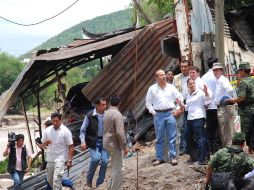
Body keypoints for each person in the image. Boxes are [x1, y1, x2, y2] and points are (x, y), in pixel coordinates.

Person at [146, 69, 184, 166]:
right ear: (156, 78)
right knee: (159, 138)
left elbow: (180, 97)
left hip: (170, 113)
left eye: (164, 75)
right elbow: (148, 102)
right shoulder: (152, 89)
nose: (163, 76)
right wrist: (153, 112)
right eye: (161, 75)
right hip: (158, 115)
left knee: (172, 137)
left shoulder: (171, 87)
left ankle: (173, 157)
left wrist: (178, 108)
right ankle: (160, 158)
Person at [79, 97, 109, 188]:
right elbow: (82, 130)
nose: (105, 106)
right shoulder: (90, 115)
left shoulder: (107, 115)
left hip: (105, 142)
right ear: (97, 105)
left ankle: (100, 184)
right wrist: (83, 142)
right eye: (103, 105)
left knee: (105, 161)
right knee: (95, 159)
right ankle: (89, 180)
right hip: (93, 142)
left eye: (105, 104)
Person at [41, 112, 74, 190]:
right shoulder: (48, 130)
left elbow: (71, 146)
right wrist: (46, 142)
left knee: (57, 179)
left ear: (60, 120)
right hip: (50, 158)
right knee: (50, 180)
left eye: (57, 121)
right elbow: (42, 145)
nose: (55, 123)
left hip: (60, 158)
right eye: (53, 121)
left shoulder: (66, 131)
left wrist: (69, 160)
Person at [227, 62, 254, 152]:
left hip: (246, 111)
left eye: (240, 71)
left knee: (246, 131)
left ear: (243, 71)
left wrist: (233, 100)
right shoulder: (252, 80)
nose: (239, 73)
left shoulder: (244, 82)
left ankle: (248, 149)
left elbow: (241, 97)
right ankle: (251, 148)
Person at [103, 95, 128, 190]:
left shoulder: (106, 113)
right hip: (114, 144)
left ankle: (111, 187)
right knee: (119, 169)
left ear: (109, 103)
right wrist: (125, 147)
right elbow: (120, 133)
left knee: (114, 168)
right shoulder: (117, 115)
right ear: (119, 104)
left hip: (106, 143)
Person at [185, 78, 210, 165]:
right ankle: (194, 156)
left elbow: (207, 101)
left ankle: (202, 159)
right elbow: (188, 107)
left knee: (200, 139)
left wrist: (206, 93)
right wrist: (181, 106)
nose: (192, 85)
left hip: (198, 118)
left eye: (193, 83)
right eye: (190, 84)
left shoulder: (200, 93)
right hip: (190, 118)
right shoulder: (189, 94)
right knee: (187, 137)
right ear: (187, 85)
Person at [202, 58, 222, 153]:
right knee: (218, 128)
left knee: (210, 128)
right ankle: (218, 149)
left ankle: (210, 149)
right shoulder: (219, 76)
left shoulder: (204, 77)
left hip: (208, 106)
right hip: (218, 106)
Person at [212, 62, 234, 147]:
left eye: (217, 70)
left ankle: (229, 150)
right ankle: (227, 149)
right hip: (221, 108)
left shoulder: (223, 80)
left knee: (226, 132)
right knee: (223, 131)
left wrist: (226, 99)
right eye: (214, 70)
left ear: (221, 70)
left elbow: (230, 90)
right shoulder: (218, 80)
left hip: (224, 108)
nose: (215, 72)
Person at [173, 60, 190, 155]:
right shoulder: (176, 78)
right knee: (182, 126)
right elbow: (173, 93)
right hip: (181, 104)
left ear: (189, 67)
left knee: (191, 126)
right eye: (182, 67)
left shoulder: (193, 77)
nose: (183, 68)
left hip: (191, 104)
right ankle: (183, 147)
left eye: (185, 66)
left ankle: (191, 146)